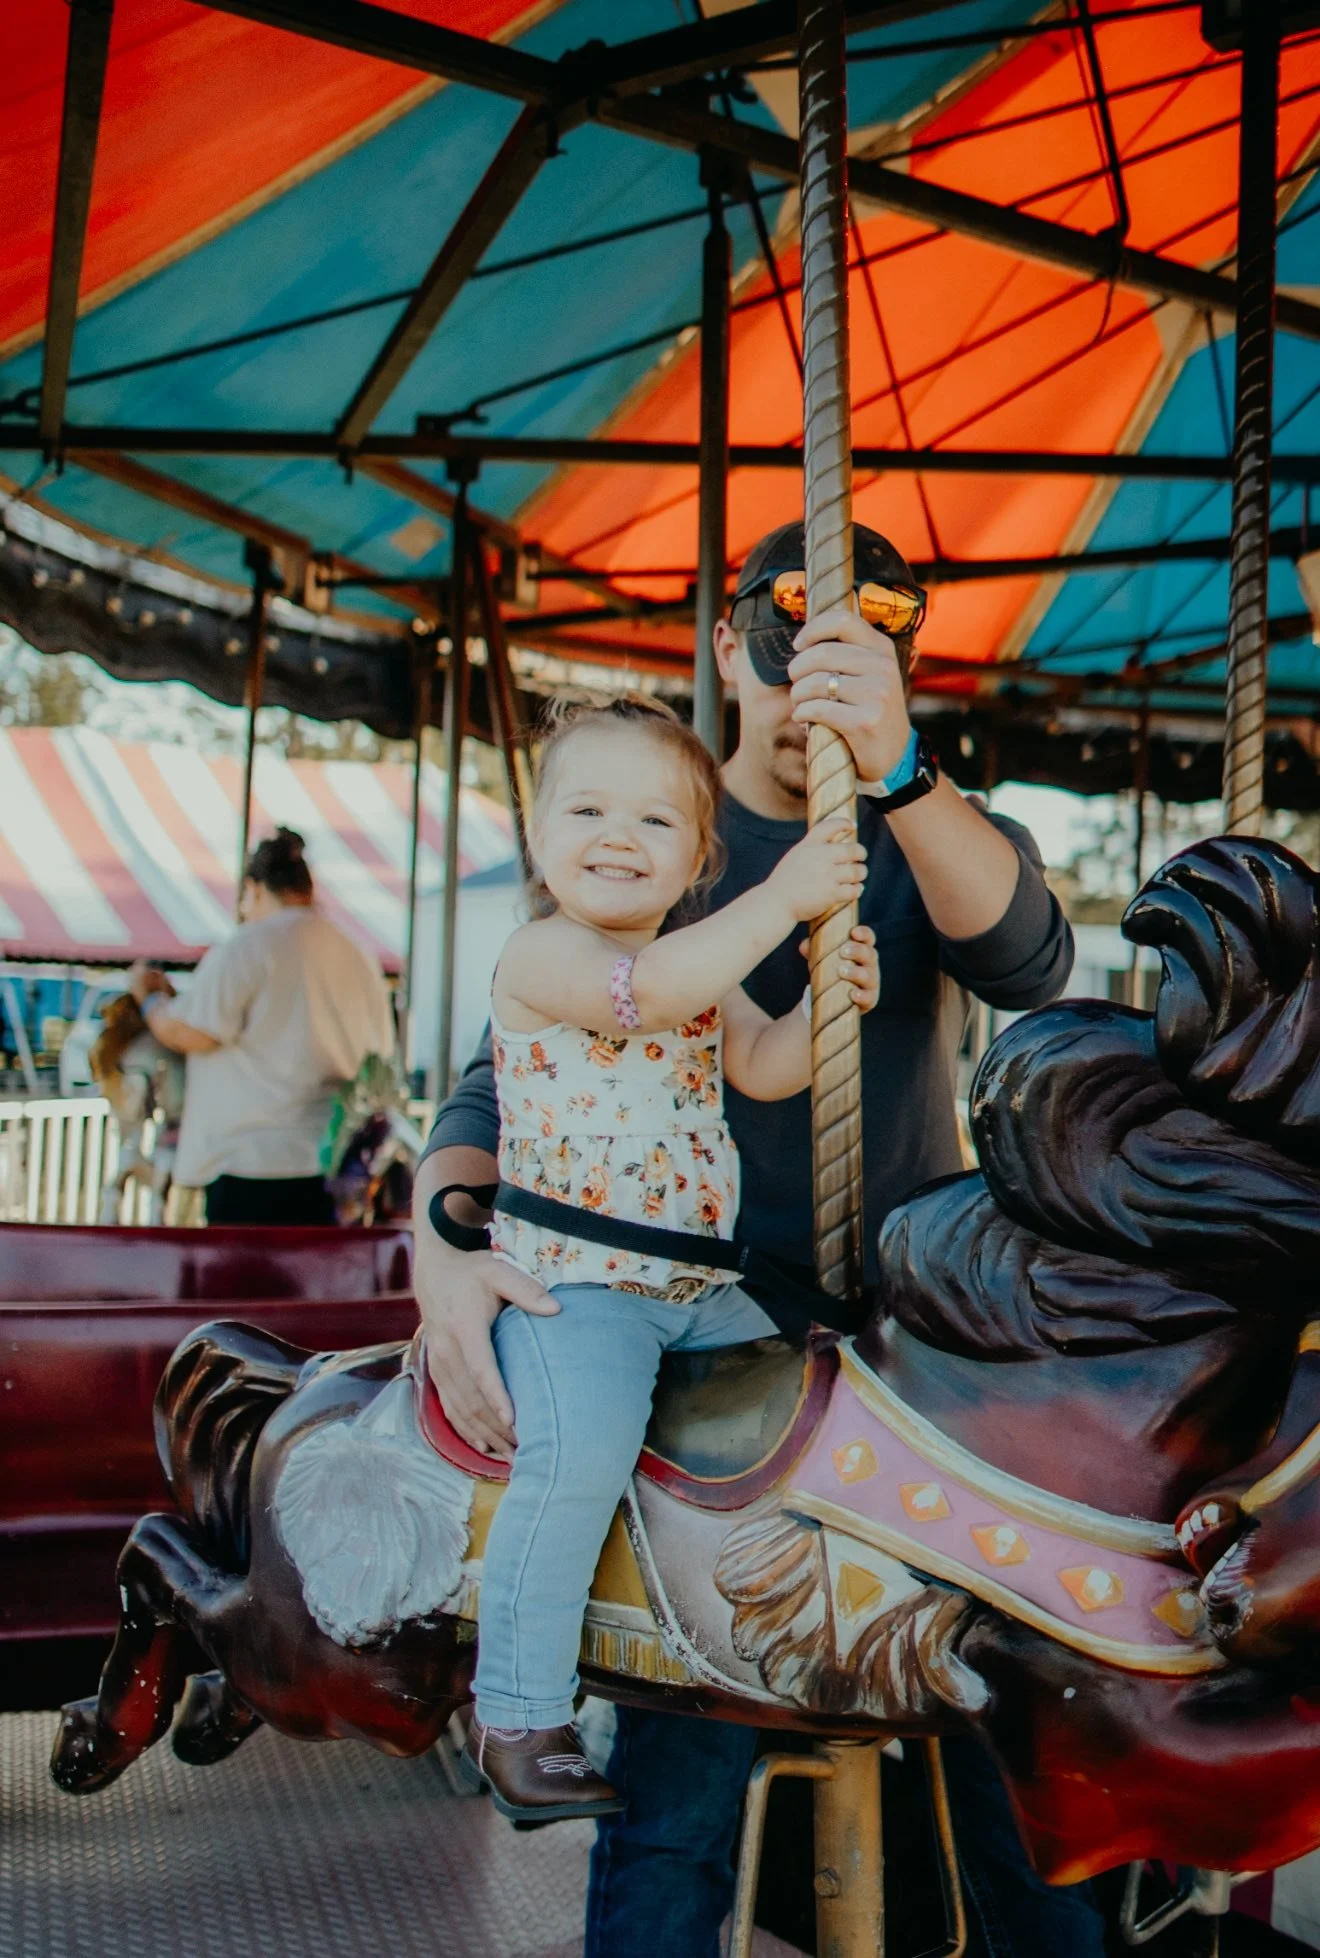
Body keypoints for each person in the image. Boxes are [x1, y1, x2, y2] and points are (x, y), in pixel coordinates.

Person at [415, 521, 1105, 1958]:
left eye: (855, 668)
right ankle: (520, 1709)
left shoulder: (926, 824)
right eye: (792, 664)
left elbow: (1035, 965)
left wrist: (902, 769)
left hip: (925, 1347)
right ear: (730, 647)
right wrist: (443, 1246)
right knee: (682, 1768)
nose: (814, 702)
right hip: (716, 1340)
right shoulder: (661, 858)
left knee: (1023, 1750)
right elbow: (502, 1079)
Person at [460, 694, 880, 1821]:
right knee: (579, 1459)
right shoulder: (547, 952)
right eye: (588, 807)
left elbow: (761, 1062)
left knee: (816, 1428)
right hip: (579, 1290)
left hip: (699, 1287)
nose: (617, 836)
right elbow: (645, 999)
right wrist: (783, 900)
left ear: (696, 856)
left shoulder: (696, 960)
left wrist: (830, 1007)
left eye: (654, 821)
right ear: (537, 832)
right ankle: (519, 1711)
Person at [130, 827, 395, 1227]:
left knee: (245, 1288)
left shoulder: (248, 945)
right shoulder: (357, 953)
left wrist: (149, 999)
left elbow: (190, 1032)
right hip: (332, 1165)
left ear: (254, 889)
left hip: (250, 1168)